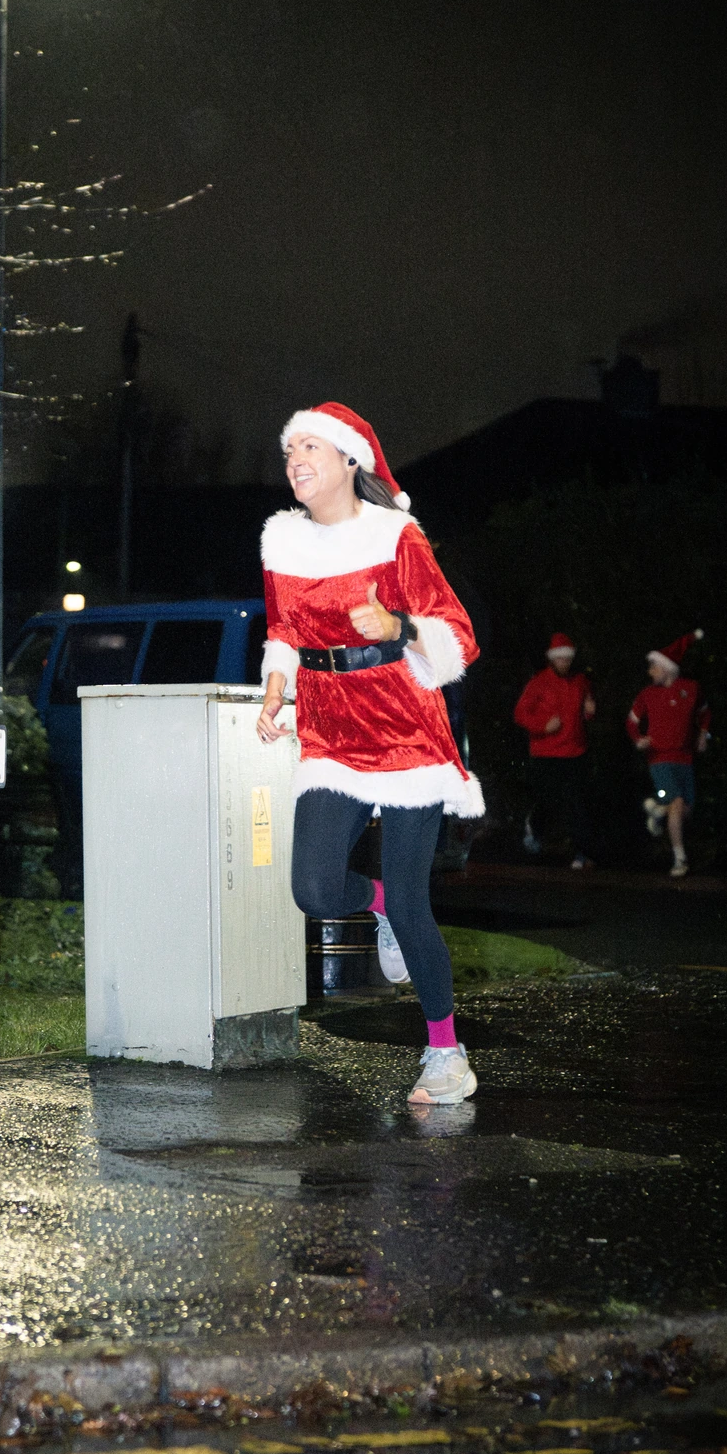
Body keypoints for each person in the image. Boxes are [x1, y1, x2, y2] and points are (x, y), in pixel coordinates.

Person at [256, 402, 484, 1106]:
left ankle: (445, 1054)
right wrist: (275, 686)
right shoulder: (281, 542)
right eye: (290, 450)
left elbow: (459, 637)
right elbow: (283, 628)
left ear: (349, 460)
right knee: (314, 889)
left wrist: (397, 625)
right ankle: (374, 902)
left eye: (310, 448)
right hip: (330, 731)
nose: (295, 460)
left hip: (403, 725)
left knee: (415, 902)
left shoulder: (395, 536)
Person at [625, 630, 711, 878]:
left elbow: (705, 713)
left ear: (667, 668)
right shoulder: (647, 694)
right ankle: (679, 859)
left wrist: (703, 734)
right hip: (659, 758)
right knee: (677, 802)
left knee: (686, 810)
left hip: (685, 757)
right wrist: (639, 740)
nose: (650, 671)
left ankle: (658, 811)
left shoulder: (691, 689)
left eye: (654, 666)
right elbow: (631, 722)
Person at [512, 633, 596, 869]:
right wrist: (543, 725)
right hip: (546, 753)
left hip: (575, 751)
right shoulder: (539, 682)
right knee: (547, 801)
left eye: (567, 659)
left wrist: (589, 711)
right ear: (552, 659)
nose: (564, 663)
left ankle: (582, 852)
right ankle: (534, 828)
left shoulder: (580, 681)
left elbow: (586, 709)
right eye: (560, 659)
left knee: (576, 803)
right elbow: (520, 714)